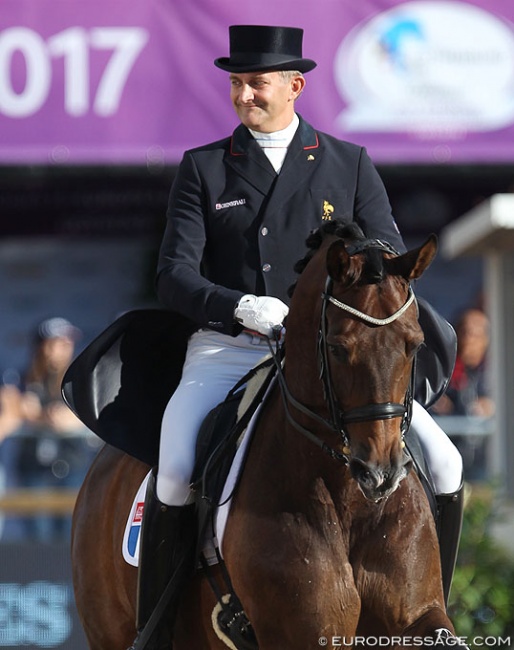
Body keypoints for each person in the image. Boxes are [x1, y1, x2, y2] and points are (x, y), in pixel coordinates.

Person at [129, 25, 464, 649]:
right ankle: (160, 627)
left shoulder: (347, 162)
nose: (244, 95)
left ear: (294, 85)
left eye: (256, 83)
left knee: (446, 463)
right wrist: (240, 307)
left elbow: (386, 256)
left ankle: (430, 608)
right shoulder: (204, 168)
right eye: (236, 83)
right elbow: (173, 275)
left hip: (336, 353)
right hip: (231, 347)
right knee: (173, 472)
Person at [1, 318, 100, 541]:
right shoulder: (20, 377)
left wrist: (72, 419)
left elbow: (97, 415)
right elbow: (11, 408)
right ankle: (42, 578)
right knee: (38, 538)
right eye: (56, 342)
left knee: (71, 536)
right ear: (41, 346)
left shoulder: (79, 380)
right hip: (34, 467)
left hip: (71, 465)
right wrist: (31, 413)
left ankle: (65, 578)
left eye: (67, 342)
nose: (63, 348)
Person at [432, 308, 494, 417]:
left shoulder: (493, 370)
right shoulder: (443, 369)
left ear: (485, 341)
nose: (468, 339)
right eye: (464, 331)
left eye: (475, 334)